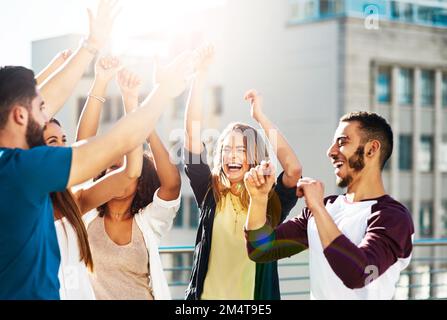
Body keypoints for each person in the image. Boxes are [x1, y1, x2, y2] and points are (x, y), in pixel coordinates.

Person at [0, 26, 194, 301]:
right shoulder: (24, 172)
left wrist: (90, 49)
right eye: (42, 110)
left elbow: (130, 172)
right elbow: (115, 141)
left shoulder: (63, 199)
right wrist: (163, 90)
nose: (47, 115)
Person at [245, 111, 414, 300]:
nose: (331, 151)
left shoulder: (394, 218)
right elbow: (260, 250)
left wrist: (318, 208)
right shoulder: (327, 207)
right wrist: (258, 198)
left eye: (342, 142)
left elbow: (360, 273)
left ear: (371, 149)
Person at [184, 45, 302, 300]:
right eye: (226, 149)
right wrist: (199, 77)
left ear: (253, 157)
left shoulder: (268, 198)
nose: (232, 155)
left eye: (241, 149)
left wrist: (259, 117)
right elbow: (192, 138)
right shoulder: (210, 189)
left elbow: (293, 169)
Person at [74, 67, 182, 300]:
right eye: (112, 169)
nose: (119, 175)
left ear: (140, 179)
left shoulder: (149, 222)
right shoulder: (86, 214)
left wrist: (137, 111)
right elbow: (82, 147)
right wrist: (101, 81)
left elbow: (172, 184)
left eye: (125, 169)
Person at [41, 57, 143, 300]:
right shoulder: (25, 203)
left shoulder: (74, 201)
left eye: (63, 141)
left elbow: (131, 171)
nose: (63, 148)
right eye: (52, 142)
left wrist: (129, 102)